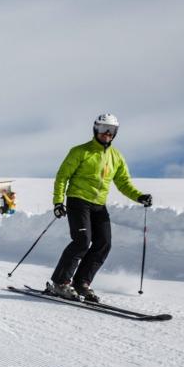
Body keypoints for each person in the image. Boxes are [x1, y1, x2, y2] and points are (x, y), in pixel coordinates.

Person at [50, 114, 152, 302]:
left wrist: (139, 196)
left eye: (111, 130)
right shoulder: (80, 151)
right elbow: (62, 176)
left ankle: (81, 283)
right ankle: (60, 282)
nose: (107, 133)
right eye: (103, 128)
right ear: (95, 129)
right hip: (78, 200)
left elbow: (123, 182)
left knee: (104, 243)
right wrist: (58, 202)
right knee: (82, 241)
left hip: (98, 205)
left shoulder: (116, 157)